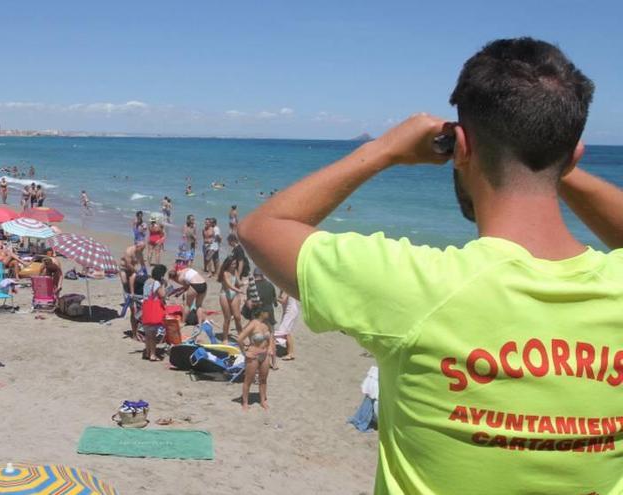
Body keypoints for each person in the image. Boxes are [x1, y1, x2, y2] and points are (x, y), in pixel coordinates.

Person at [238, 38, 623, 492]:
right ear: (573, 155)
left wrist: (385, 149)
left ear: (459, 146)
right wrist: (549, 158)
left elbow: (262, 228)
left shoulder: (416, 286)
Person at [237, 304, 275, 411]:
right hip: (253, 355)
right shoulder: (253, 324)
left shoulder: (267, 324)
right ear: (261, 313)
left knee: (263, 379)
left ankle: (263, 400)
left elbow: (271, 336)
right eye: (267, 311)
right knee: (248, 380)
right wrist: (244, 352)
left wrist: (271, 348)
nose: (269, 313)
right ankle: (245, 402)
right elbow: (240, 339)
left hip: (264, 354)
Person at [141, 264, 167, 361]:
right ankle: (152, 354)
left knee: (147, 334)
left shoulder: (147, 281)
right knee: (152, 334)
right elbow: (163, 295)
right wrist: (163, 284)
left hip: (146, 307)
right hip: (153, 309)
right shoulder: (156, 283)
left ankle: (148, 352)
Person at [216, 255, 244, 343]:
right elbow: (229, 285)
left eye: (235, 263)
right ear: (228, 264)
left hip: (234, 295)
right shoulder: (224, 273)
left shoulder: (235, 271)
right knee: (227, 318)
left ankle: (241, 337)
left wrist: (247, 282)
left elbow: (238, 282)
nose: (234, 265)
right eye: (232, 264)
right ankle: (225, 338)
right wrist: (238, 290)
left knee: (237, 317)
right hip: (225, 294)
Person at [274, 290, 300, 361]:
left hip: (290, 311)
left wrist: (273, 297)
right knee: (287, 332)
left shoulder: (286, 288)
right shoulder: (283, 288)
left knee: (284, 331)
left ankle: (290, 353)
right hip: (287, 311)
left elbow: (283, 301)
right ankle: (290, 352)